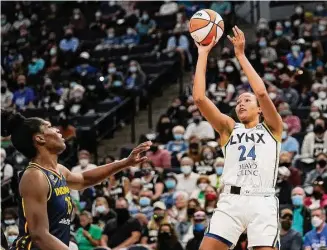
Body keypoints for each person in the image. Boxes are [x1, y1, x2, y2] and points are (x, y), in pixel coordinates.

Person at [1, 109, 151, 250]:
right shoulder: (35, 176)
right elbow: (39, 235)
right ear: (39, 138)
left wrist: (125, 162)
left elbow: (84, 179)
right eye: (50, 127)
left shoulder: (59, 170)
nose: (57, 130)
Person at [194, 26, 283, 250]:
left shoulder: (272, 128)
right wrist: (203, 54)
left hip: (262, 200)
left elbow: (262, 93)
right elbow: (199, 98)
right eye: (238, 101)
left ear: (260, 109)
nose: (240, 103)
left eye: (246, 100)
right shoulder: (228, 128)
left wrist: (241, 56)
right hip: (230, 201)